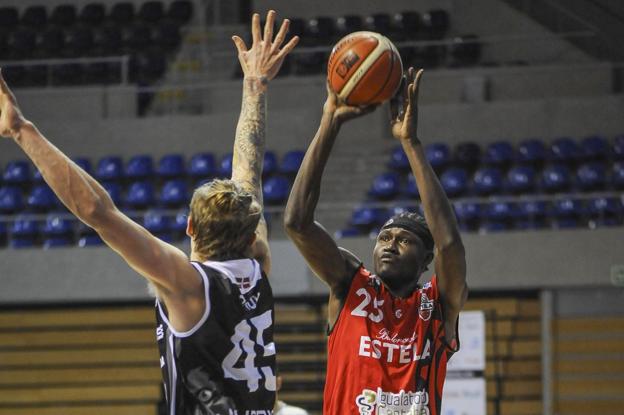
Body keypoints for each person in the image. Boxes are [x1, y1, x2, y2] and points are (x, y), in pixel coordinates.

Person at [0, 10, 298, 414]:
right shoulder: (257, 264)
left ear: (190, 226)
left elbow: (96, 211)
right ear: (249, 237)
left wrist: (21, 130)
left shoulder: (188, 284)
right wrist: (255, 85)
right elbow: (249, 169)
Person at [283, 68, 468, 415]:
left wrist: (410, 144)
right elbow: (297, 222)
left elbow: (450, 244)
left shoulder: (438, 303)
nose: (390, 244)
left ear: (426, 258)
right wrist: (330, 121)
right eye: (384, 237)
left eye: (404, 240)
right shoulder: (351, 284)